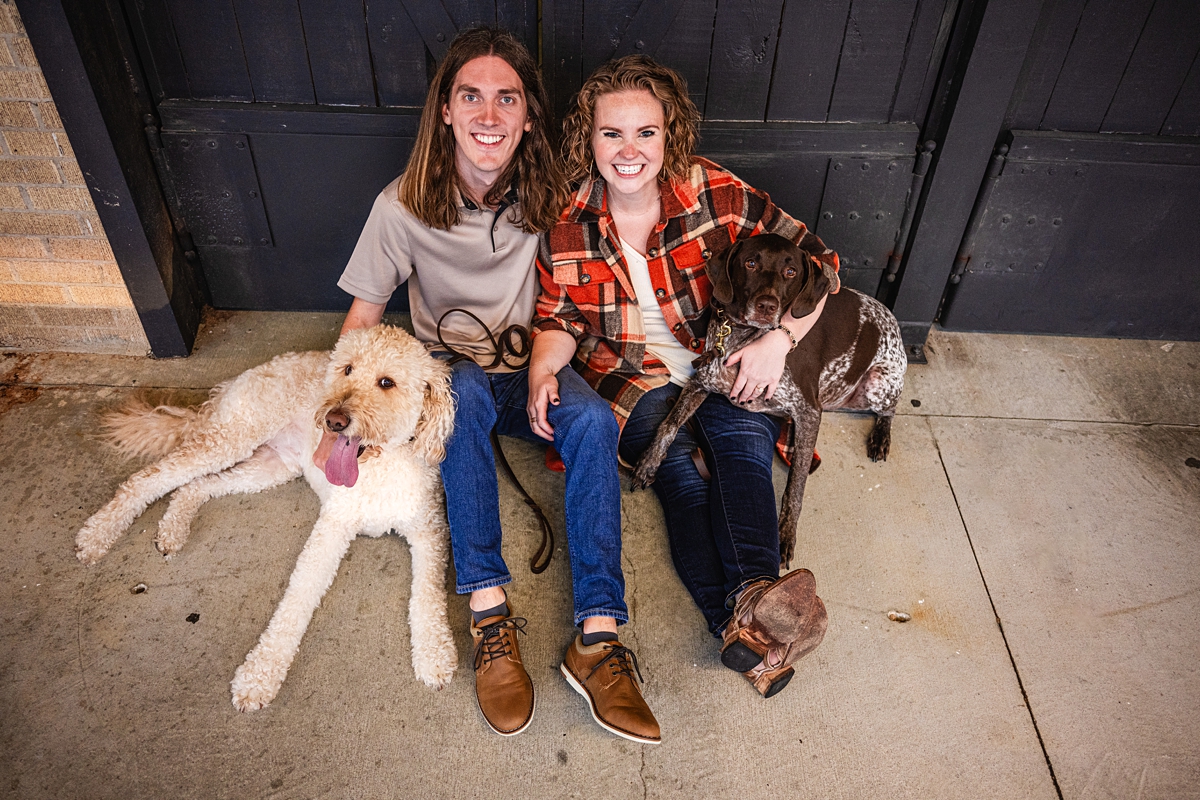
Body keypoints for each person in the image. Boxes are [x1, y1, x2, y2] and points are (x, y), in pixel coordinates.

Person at [329, 29, 660, 743]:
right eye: (470, 95)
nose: (489, 114)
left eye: (507, 98)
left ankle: (597, 639)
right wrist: (341, 419)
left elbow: (633, 200)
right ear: (444, 111)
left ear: (529, 116)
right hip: (454, 381)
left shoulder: (554, 196)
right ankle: (488, 612)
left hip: (538, 369)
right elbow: (363, 320)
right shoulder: (403, 205)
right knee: (465, 390)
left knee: (596, 422)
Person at [529, 55, 836, 698]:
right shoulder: (566, 216)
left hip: (721, 359)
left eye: (646, 132)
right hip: (628, 378)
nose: (629, 150)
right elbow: (556, 314)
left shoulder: (713, 192)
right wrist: (541, 370)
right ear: (588, 138)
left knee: (742, 448)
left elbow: (822, 265)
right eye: (612, 133)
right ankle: (758, 628)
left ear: (671, 137)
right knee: (680, 481)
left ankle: (750, 617)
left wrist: (779, 340)